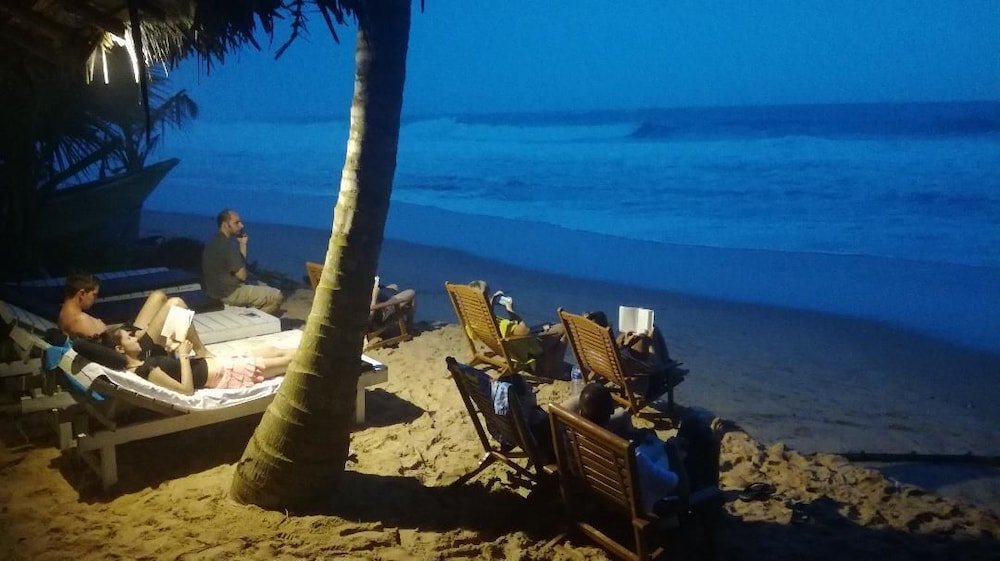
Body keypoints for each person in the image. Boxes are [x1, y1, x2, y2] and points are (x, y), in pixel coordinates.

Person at [577, 382, 690, 516]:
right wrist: (672, 450)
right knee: (686, 444)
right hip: (637, 511)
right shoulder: (634, 459)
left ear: (581, 412)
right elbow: (679, 487)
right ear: (611, 411)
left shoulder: (575, 439)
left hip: (606, 495)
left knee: (656, 445)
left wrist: (628, 436)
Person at [99, 326, 294, 395]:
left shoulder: (142, 362)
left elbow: (173, 371)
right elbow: (186, 390)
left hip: (220, 363)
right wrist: (184, 355)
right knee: (286, 361)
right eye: (129, 338)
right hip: (224, 372)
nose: (135, 338)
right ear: (119, 349)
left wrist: (172, 352)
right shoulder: (145, 370)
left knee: (274, 351)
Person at [58, 272, 211, 359]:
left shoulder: (66, 314)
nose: (96, 299)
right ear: (81, 293)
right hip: (135, 349)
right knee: (176, 304)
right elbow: (113, 349)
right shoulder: (80, 321)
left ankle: (173, 345)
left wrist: (127, 331)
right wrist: (142, 333)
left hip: (127, 336)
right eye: (94, 295)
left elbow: (107, 338)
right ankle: (200, 351)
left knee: (158, 296)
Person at [468, 280, 568, 378]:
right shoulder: (501, 325)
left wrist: (492, 303)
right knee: (564, 328)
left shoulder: (473, 321)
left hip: (509, 343)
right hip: (526, 349)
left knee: (546, 325)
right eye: (489, 296)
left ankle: (545, 361)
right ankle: (554, 369)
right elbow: (525, 331)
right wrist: (510, 310)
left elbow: (483, 318)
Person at [201, 209, 283, 315]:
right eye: (236, 223)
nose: (241, 225)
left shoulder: (213, 241)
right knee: (276, 296)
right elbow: (242, 276)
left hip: (214, 292)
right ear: (225, 225)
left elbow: (237, 265)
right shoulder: (227, 246)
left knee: (261, 286)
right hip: (230, 293)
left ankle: (248, 314)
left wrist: (242, 244)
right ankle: (252, 321)